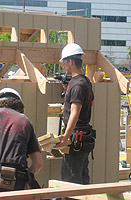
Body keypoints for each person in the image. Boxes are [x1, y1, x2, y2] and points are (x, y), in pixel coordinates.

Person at [55, 43, 95, 185]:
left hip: (76, 137)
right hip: (84, 136)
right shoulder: (85, 82)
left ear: (70, 62)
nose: (63, 66)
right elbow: (91, 103)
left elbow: (74, 113)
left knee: (71, 179)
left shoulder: (77, 85)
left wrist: (65, 136)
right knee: (83, 177)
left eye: (64, 63)